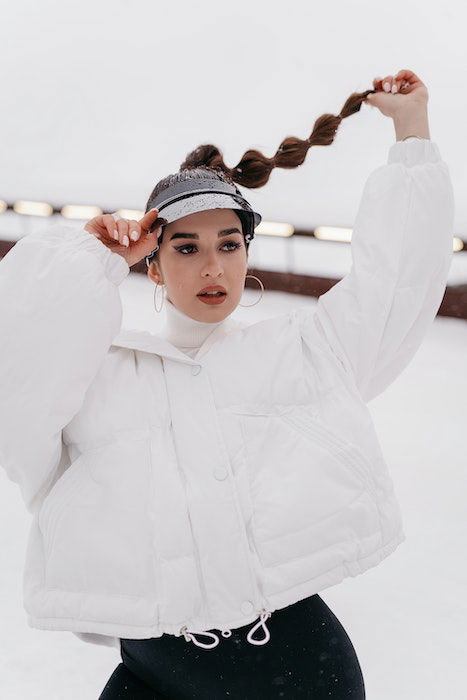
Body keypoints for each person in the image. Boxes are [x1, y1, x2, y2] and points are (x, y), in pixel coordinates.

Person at [0, 69, 454, 698]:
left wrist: (411, 131)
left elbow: (398, 281)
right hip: (153, 674)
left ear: (248, 253)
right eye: (185, 248)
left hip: (298, 670)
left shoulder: (305, 352)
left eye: (229, 243)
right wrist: (86, 260)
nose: (213, 266)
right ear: (151, 266)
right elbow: (18, 372)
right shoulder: (96, 379)